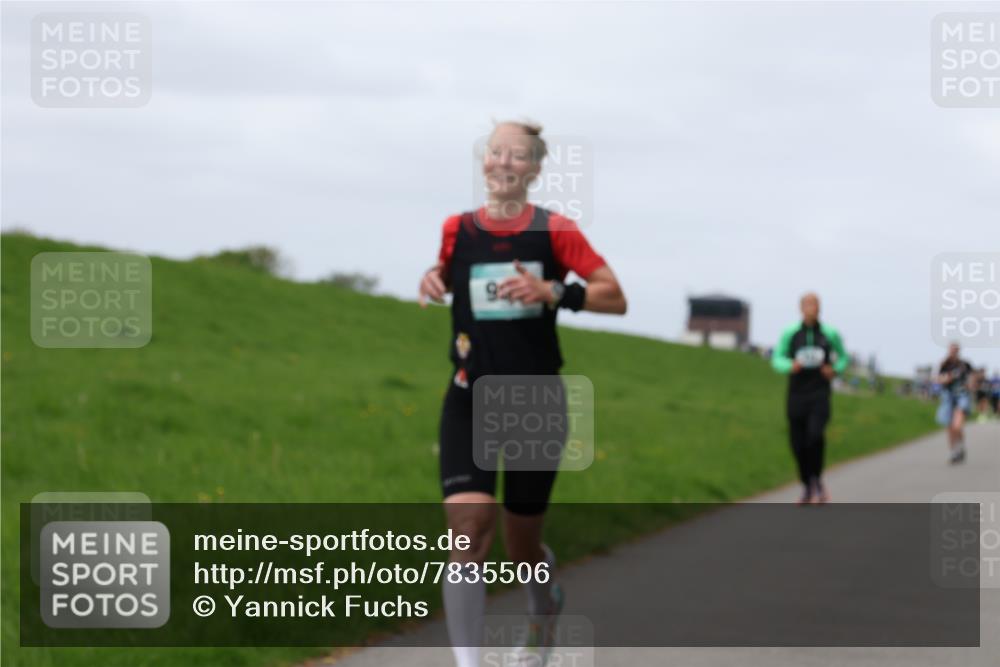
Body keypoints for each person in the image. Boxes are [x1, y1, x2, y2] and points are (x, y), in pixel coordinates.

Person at [418, 120, 627, 667]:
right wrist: (431, 280)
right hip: (468, 395)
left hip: (534, 403)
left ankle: (542, 610)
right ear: (484, 161)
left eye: (517, 157)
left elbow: (614, 296)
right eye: (495, 153)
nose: (503, 163)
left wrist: (553, 290)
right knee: (467, 528)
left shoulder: (555, 231)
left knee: (522, 548)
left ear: (534, 170)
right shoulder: (456, 229)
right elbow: (446, 273)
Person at [771, 293, 848, 505]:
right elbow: (777, 357)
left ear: (819, 308)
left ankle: (816, 481)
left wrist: (834, 370)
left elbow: (843, 357)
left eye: (814, 304)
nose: (810, 308)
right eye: (807, 304)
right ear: (800, 308)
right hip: (796, 394)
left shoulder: (829, 334)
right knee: (797, 444)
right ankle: (808, 484)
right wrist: (790, 366)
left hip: (819, 394)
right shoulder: (791, 333)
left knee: (814, 437)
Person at [935, 343, 974, 463]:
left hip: (962, 395)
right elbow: (938, 379)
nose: (954, 352)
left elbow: (972, 378)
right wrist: (946, 379)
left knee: (957, 425)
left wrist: (970, 385)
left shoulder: (965, 365)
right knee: (950, 427)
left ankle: (960, 446)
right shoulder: (944, 364)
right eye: (952, 350)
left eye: (956, 350)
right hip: (948, 397)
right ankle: (954, 452)